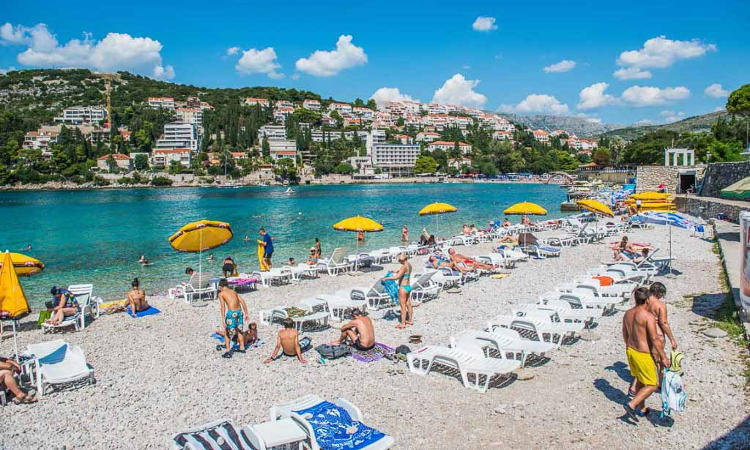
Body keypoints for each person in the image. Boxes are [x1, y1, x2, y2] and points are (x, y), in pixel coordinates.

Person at [622, 287, 670, 421]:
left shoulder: (628, 313)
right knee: (652, 384)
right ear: (647, 299)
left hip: (630, 351)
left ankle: (641, 408)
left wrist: (629, 347)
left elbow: (625, 334)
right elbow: (655, 338)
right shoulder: (647, 316)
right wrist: (663, 356)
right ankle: (631, 405)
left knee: (642, 380)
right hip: (642, 353)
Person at [628, 282, 677, 396]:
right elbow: (663, 323)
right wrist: (672, 339)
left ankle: (633, 388)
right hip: (656, 336)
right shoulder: (660, 305)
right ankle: (659, 385)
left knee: (645, 360)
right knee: (659, 362)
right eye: (662, 294)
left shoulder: (643, 302)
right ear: (658, 293)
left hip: (643, 334)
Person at [217, 279, 249, 358]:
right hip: (239, 312)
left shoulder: (221, 293)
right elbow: (242, 301)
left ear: (221, 286)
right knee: (239, 330)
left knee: (227, 332)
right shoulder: (233, 291)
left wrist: (223, 319)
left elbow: (223, 307)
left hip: (232, 313)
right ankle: (242, 348)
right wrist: (246, 313)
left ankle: (228, 351)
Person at [381, 253, 413, 329]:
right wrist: (394, 271)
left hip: (403, 288)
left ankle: (402, 323)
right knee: (408, 304)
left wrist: (386, 278)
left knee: (402, 306)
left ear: (401, 260)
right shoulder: (408, 265)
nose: (399, 262)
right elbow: (402, 272)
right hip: (408, 286)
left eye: (399, 260)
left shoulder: (403, 266)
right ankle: (410, 320)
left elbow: (397, 277)